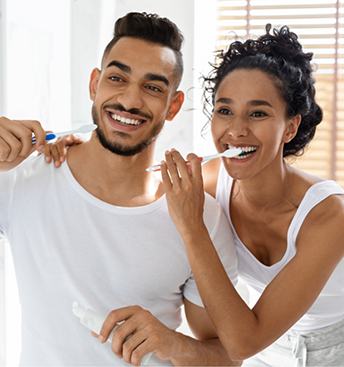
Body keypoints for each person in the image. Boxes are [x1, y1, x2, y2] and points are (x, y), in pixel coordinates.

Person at [0, 12, 239, 367]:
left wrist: (174, 344)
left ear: (173, 106)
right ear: (94, 84)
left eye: (153, 87)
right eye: (117, 78)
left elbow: (228, 357)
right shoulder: (21, 181)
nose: (130, 101)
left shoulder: (201, 217)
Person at [159, 24, 344, 366]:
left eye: (258, 113)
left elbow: (244, 343)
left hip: (332, 349)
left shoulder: (330, 216)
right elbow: (132, 192)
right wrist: (75, 155)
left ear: (290, 127)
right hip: (263, 349)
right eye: (225, 110)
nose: (237, 130)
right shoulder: (210, 183)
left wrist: (193, 227)